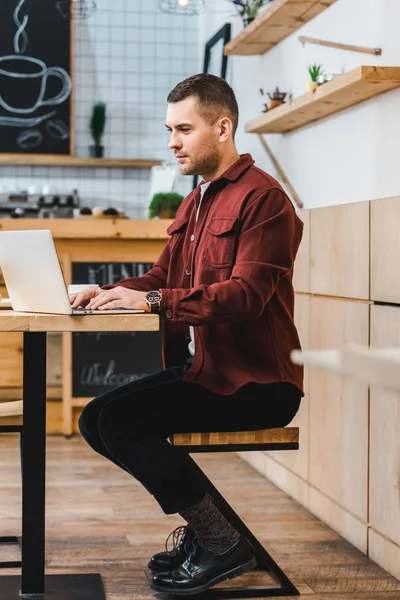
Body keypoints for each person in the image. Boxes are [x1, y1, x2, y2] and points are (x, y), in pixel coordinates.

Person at [72, 72, 304, 596]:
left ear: (222, 128)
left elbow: (246, 296)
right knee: (95, 419)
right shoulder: (195, 201)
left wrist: (154, 301)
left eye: (183, 129)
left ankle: (221, 543)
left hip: (258, 386)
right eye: (169, 129)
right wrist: (106, 291)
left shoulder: (265, 201)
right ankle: (211, 535)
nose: (172, 141)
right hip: (206, 372)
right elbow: (161, 278)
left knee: (124, 423)